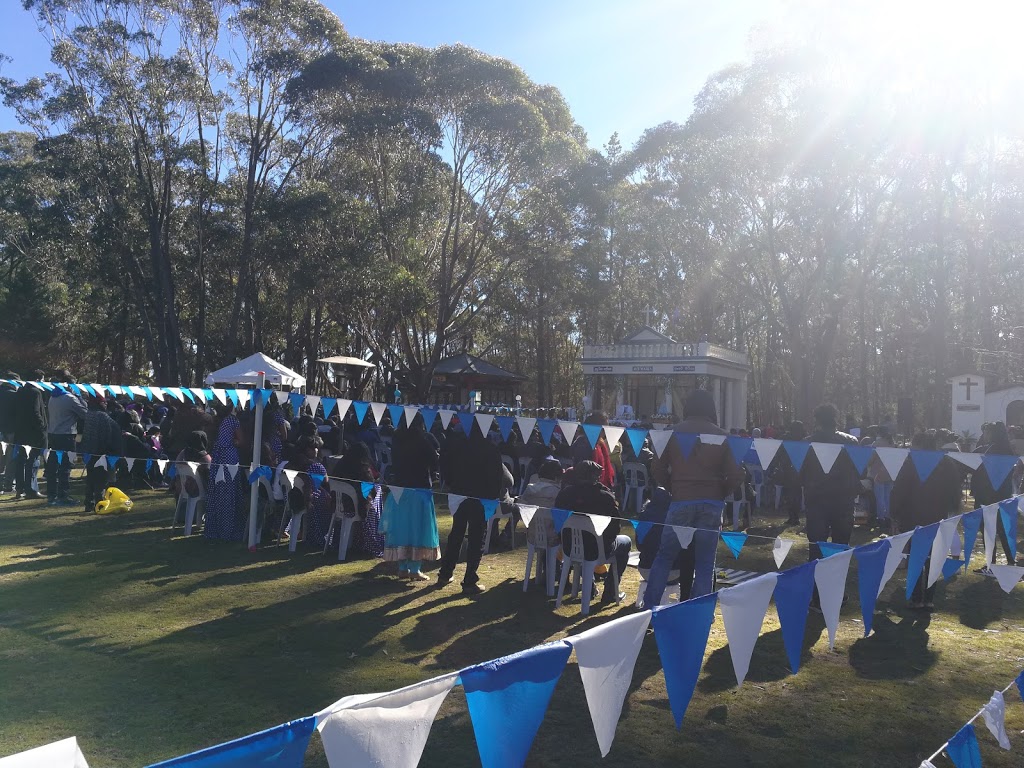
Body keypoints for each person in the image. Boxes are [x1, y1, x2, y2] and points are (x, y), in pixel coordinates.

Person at [643, 389, 744, 608]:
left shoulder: (672, 432)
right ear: (711, 409)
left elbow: (657, 467)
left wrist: (672, 488)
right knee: (705, 563)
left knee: (665, 556)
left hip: (680, 499)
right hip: (712, 502)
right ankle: (698, 613)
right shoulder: (723, 436)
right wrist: (720, 492)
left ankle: (649, 608)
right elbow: (737, 475)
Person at [891, 433, 962, 609]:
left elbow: (900, 489)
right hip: (938, 516)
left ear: (920, 444)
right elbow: (955, 491)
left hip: (913, 516)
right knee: (933, 558)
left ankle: (917, 598)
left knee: (916, 556)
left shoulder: (911, 463)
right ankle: (929, 598)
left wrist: (894, 512)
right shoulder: (947, 463)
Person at [436, 427, 510, 595]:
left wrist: (451, 483)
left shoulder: (457, 446)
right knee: (476, 539)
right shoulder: (491, 449)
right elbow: (498, 477)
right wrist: (492, 496)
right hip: (480, 498)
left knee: (456, 535)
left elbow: (445, 466)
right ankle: (469, 580)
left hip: (461, 494)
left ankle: (445, 574)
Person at [553, 459, 631, 604]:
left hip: (569, 547)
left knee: (584, 543)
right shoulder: (604, 496)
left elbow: (557, 521)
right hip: (597, 548)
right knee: (626, 542)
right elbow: (615, 527)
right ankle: (611, 592)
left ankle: (591, 586)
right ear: (595, 477)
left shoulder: (564, 494)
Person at [380, 414, 440, 581]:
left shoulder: (397, 439)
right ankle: (415, 569)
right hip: (419, 489)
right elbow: (434, 461)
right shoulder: (422, 440)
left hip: (399, 489)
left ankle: (402, 567)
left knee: (402, 529)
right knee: (418, 529)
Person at [801, 404, 860, 561]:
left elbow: (801, 471)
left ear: (817, 421)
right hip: (843, 499)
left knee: (816, 547)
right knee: (840, 547)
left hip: (817, 498)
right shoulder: (852, 442)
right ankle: (835, 581)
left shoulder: (807, 443)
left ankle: (815, 582)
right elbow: (859, 470)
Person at [971, 421, 1018, 566]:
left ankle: (991, 563)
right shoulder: (1009, 450)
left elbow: (971, 466)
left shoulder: (986, 450)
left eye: (986, 432)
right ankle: (1010, 561)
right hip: (1004, 495)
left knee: (988, 529)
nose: (984, 435)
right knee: (1003, 530)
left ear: (993, 434)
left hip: (986, 495)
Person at [335, 441, 385, 557]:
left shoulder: (341, 465)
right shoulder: (363, 471)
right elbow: (366, 495)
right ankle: (375, 538)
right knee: (377, 494)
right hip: (357, 507)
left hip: (340, 504)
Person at [46, 374, 87, 506]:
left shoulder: (52, 397)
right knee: (65, 466)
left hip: (53, 434)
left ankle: (51, 495)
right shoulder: (70, 398)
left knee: (52, 467)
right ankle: (63, 495)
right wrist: (79, 397)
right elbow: (85, 413)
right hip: (66, 436)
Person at [204, 403, 244, 541]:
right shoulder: (233, 420)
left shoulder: (214, 421)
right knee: (229, 494)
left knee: (217, 493)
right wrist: (234, 442)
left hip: (217, 457)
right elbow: (241, 440)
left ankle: (215, 528)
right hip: (230, 458)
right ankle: (229, 529)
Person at [80, 397, 122, 513]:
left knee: (90, 480)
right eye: (104, 402)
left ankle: (89, 503)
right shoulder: (102, 416)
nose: (106, 404)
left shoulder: (89, 414)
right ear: (99, 403)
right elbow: (106, 435)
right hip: (100, 452)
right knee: (100, 481)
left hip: (89, 452)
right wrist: (107, 450)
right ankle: (99, 504)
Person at [10, 371, 47, 499]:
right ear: (37, 380)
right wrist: (42, 427)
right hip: (33, 432)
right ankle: (31, 489)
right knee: (33, 460)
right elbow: (36, 412)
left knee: (21, 460)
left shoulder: (20, 391)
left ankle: (19, 489)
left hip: (20, 431)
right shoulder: (35, 392)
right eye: (42, 380)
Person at [519, 458, 564, 551]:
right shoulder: (558, 493)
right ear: (556, 478)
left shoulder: (529, 489)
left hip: (532, 535)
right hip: (553, 537)